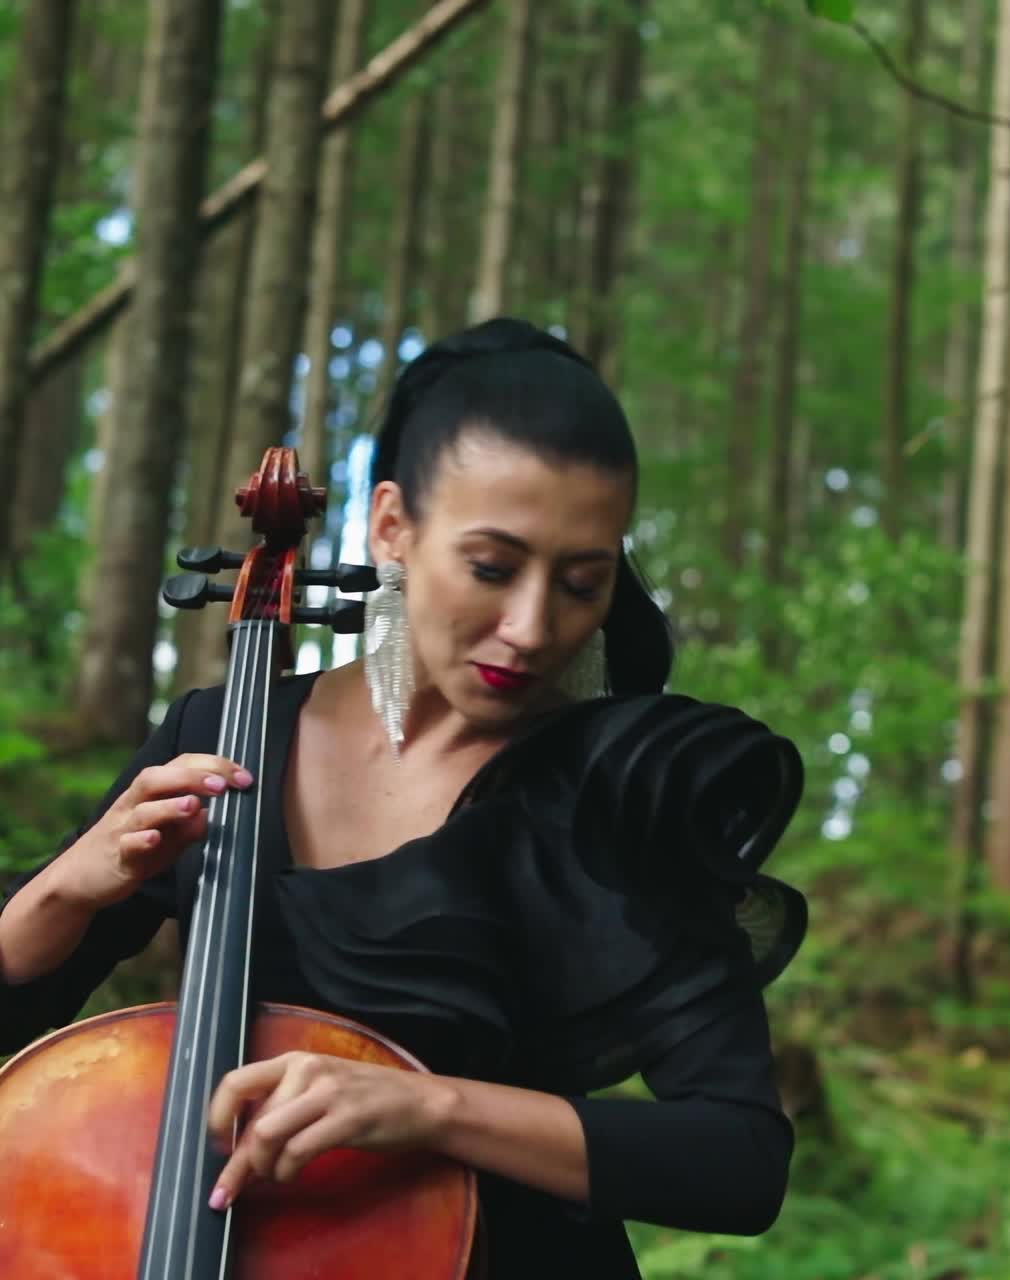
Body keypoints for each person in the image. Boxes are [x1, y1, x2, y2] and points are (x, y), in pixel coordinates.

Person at [0, 318, 807, 1277]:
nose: (531, 627)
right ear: (392, 527)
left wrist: (430, 1108)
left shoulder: (613, 794)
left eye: (582, 583)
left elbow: (739, 1161)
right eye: (493, 569)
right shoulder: (219, 738)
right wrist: (64, 890)